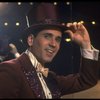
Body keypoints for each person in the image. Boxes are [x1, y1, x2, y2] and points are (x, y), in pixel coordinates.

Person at [0, 2, 99, 99]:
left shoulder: (51, 77)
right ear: (31, 40)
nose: (53, 44)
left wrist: (85, 45)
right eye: (47, 36)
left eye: (58, 39)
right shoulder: (10, 70)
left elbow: (86, 80)